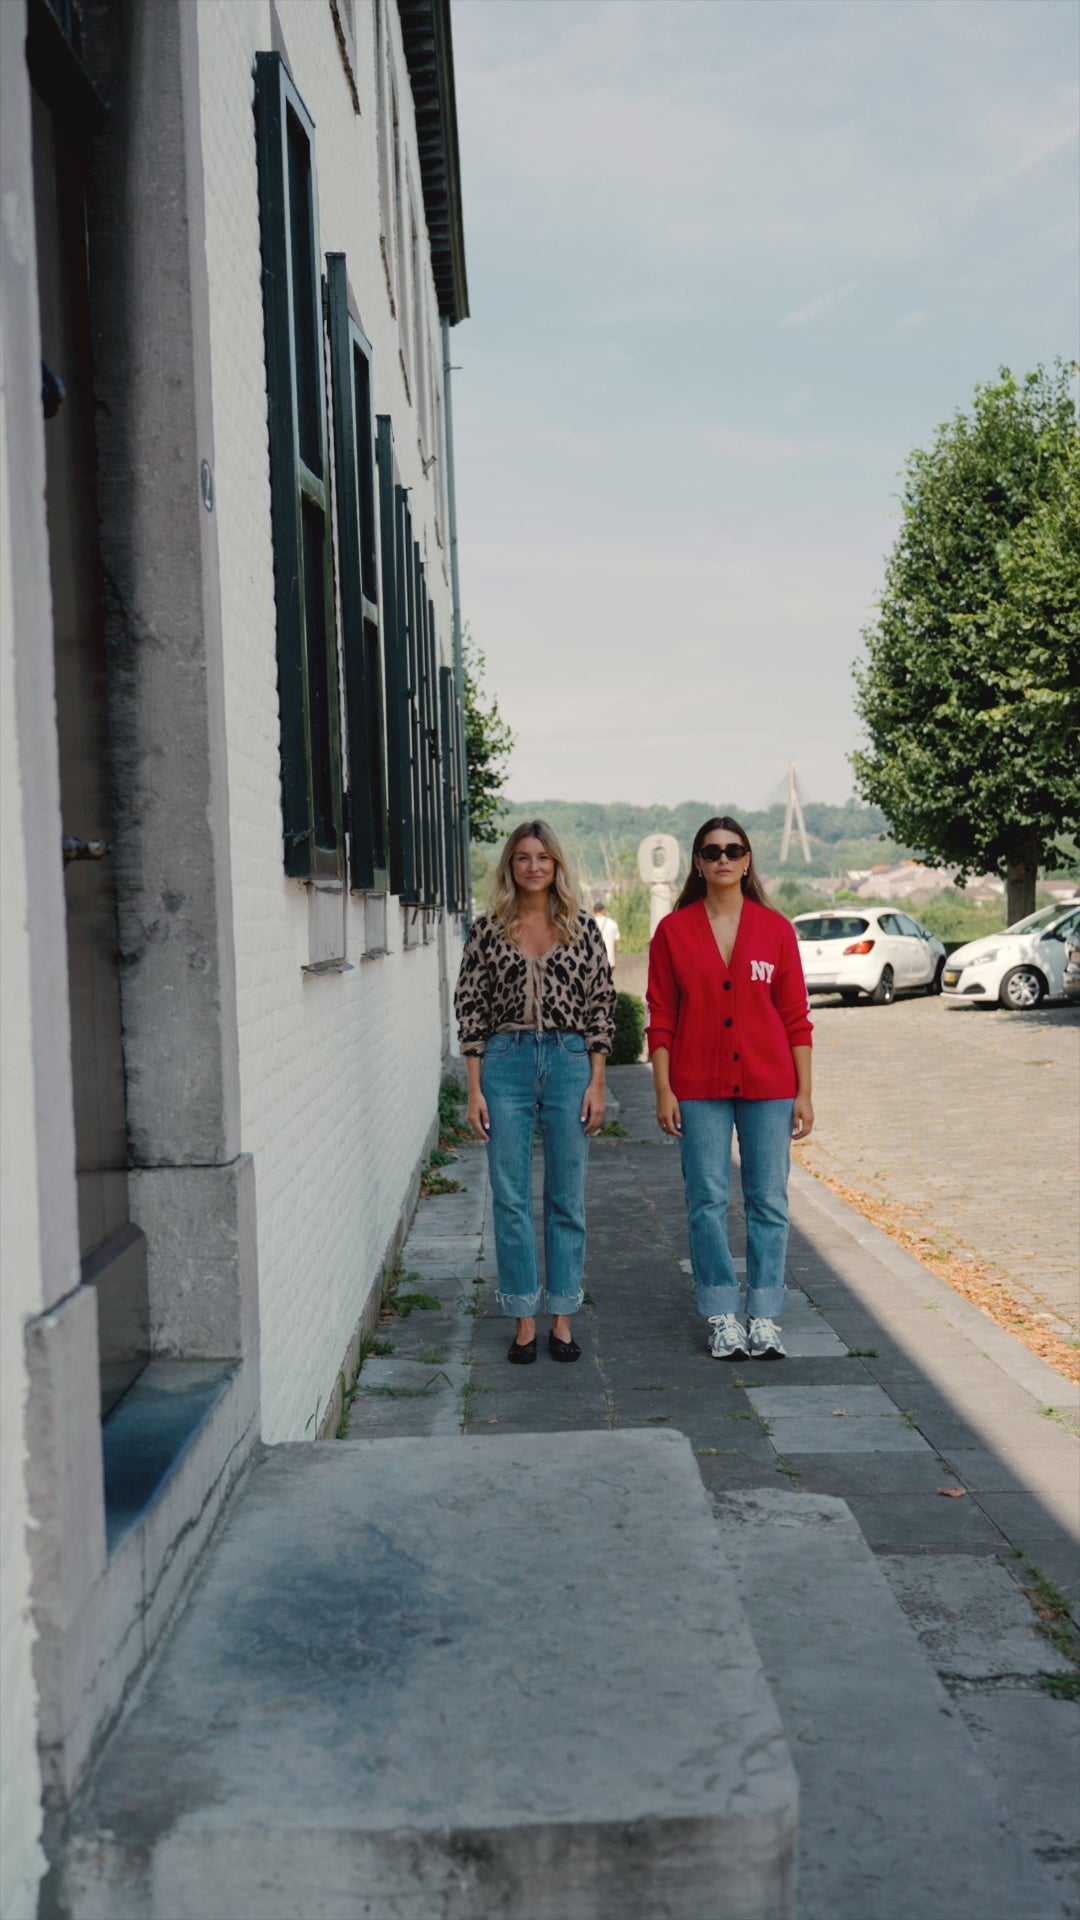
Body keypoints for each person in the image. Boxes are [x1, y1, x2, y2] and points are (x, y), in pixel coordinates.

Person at [647, 816, 813, 1362]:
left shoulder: (776, 930)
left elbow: (796, 1019)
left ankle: (763, 1316)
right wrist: (663, 1090)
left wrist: (805, 1093)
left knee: (768, 1198)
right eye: (711, 850)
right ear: (697, 862)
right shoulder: (673, 932)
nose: (722, 858)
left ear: (747, 860)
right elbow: (662, 1017)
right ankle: (722, 1313)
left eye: (733, 850)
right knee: (707, 1201)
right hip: (696, 1084)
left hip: (770, 1084)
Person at [455, 821, 615, 1364]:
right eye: (522, 857)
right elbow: (471, 1011)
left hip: (571, 1064)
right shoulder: (486, 931)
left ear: (556, 865)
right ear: (510, 866)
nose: (532, 867)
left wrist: (597, 1081)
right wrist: (474, 1090)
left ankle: (563, 1318)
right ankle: (525, 1319)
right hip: (505, 1064)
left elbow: (600, 1008)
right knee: (511, 1197)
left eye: (542, 857)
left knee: (566, 1198)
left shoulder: (582, 928)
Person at [592, 898, 620, 969]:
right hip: (609, 960)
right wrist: (614, 958)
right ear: (604, 910)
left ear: (594, 911)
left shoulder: (589, 923)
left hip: (593, 961)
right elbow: (615, 944)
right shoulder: (613, 923)